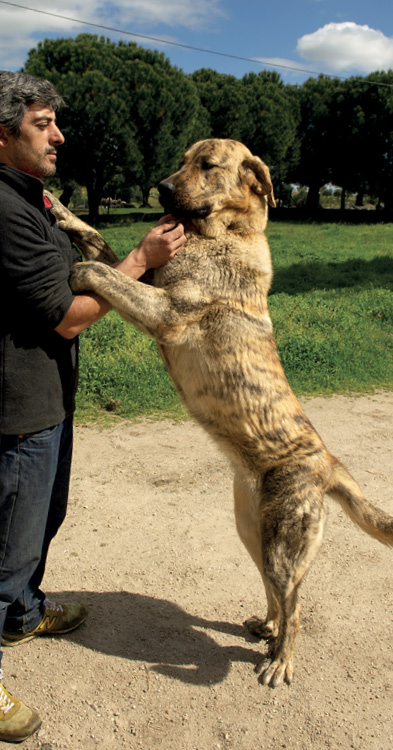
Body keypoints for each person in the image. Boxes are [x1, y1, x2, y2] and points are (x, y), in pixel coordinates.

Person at [0, 71, 187, 743]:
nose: (59, 134)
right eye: (42, 124)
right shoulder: (4, 209)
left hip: (44, 396)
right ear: (2, 135)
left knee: (37, 525)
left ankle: (19, 615)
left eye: (54, 122)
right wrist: (138, 259)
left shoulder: (32, 197)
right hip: (15, 407)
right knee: (5, 542)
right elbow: (72, 316)